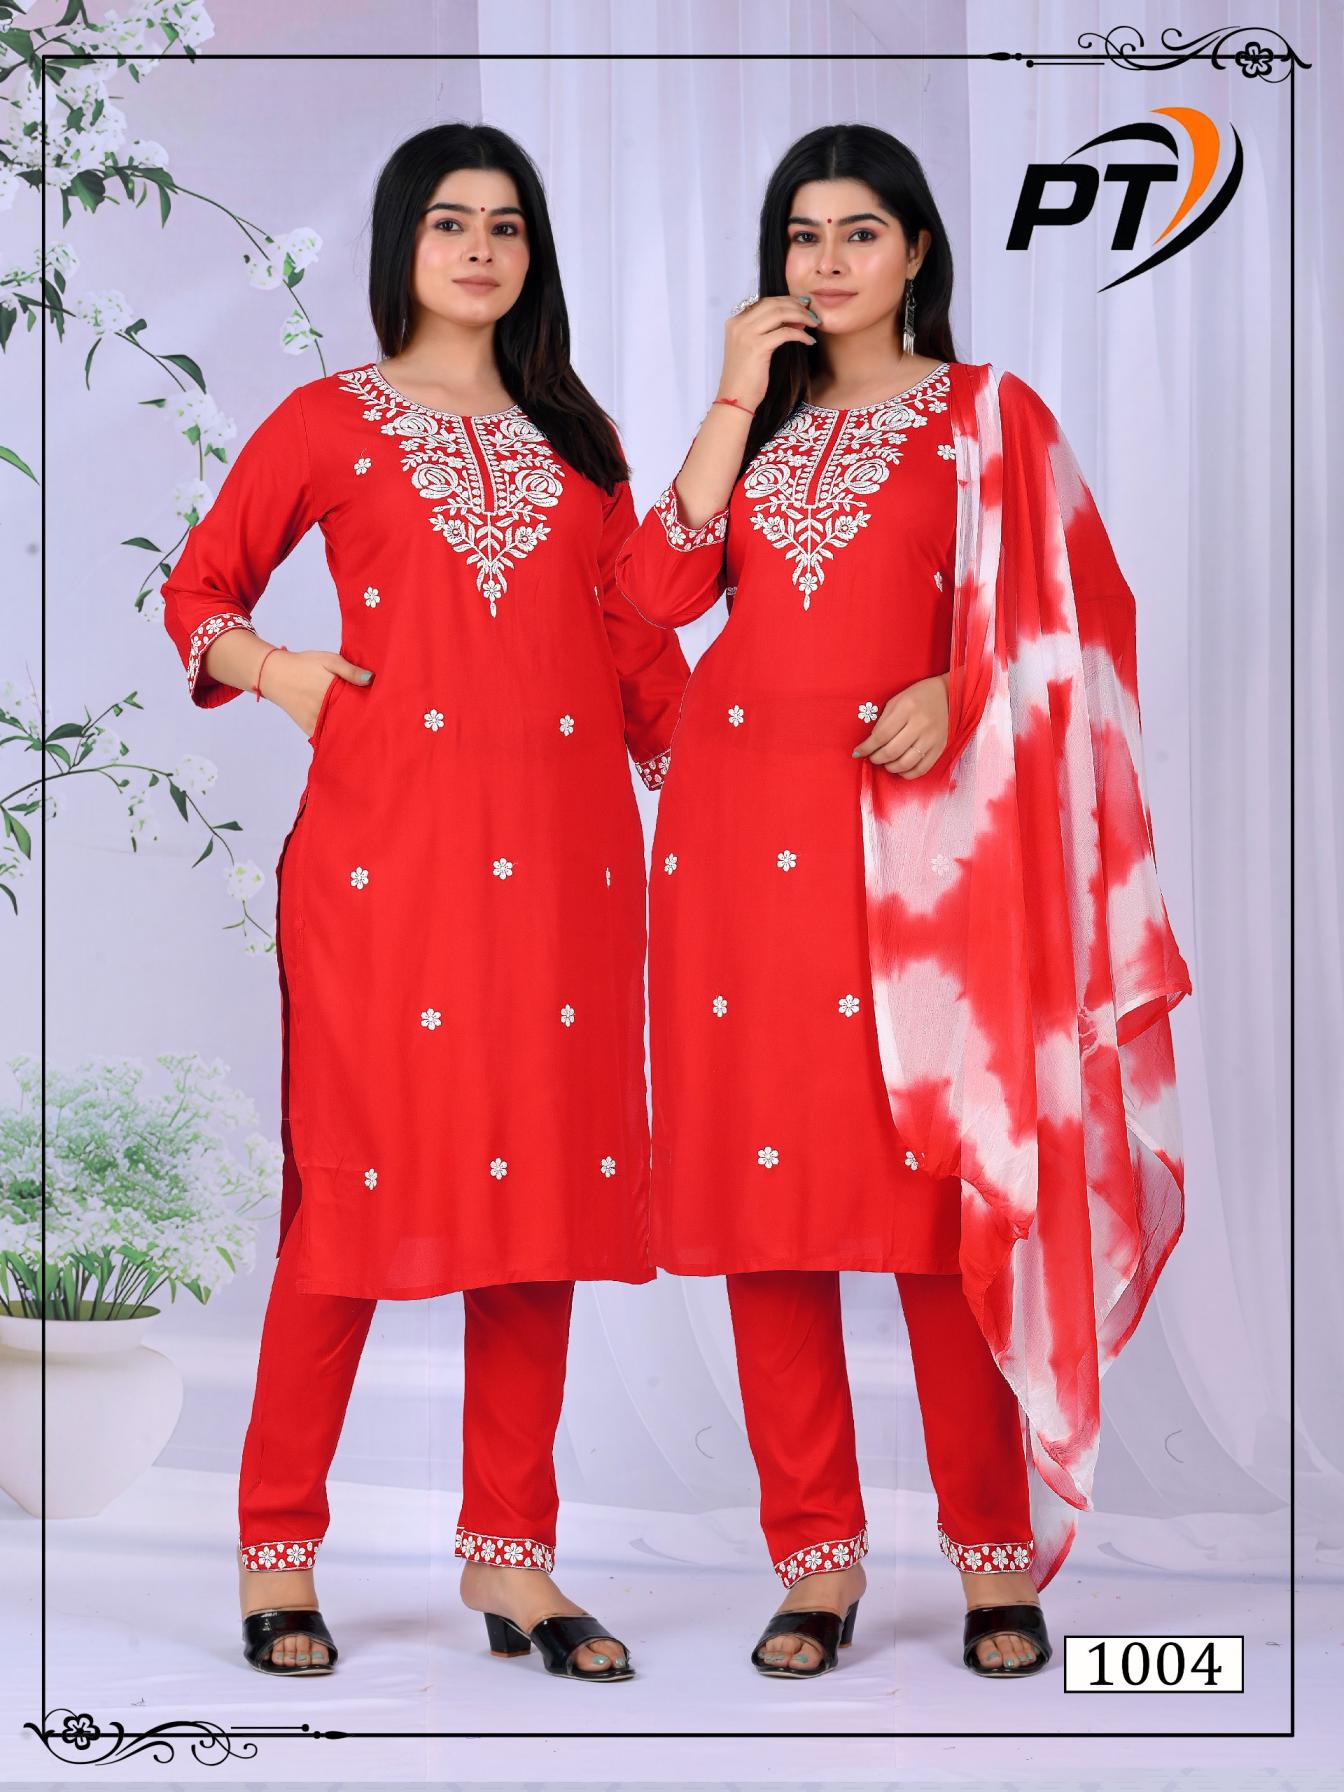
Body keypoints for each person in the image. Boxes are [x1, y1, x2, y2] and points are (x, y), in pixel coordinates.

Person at [614, 122, 1192, 1680]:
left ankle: (993, 1557)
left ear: (918, 249)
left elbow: (1087, 618)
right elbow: (654, 597)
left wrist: (965, 684)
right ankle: (814, 1562)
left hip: (920, 862)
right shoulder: (761, 427)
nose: (827, 262)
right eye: (802, 238)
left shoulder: (989, 416)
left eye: (858, 233)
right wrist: (733, 393)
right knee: (768, 1215)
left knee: (942, 1199)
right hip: (735, 843)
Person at [160, 122, 690, 1682]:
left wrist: (765, 780)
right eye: (451, 222)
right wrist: (282, 672)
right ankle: (276, 1547)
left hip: (568, 879)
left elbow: (645, 667)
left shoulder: (579, 443)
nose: (479, 249)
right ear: (401, 243)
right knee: (349, 1201)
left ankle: (509, 1558)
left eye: (506, 226)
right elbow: (196, 591)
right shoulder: (328, 421)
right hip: (386, 868)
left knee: (538, 1211)